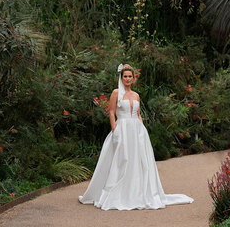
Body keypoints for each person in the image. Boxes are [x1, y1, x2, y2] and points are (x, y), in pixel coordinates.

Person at [78, 63, 194, 210]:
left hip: (137, 131)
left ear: (133, 78)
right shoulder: (116, 93)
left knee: (138, 160)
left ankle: (138, 192)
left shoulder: (136, 95)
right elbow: (112, 112)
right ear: (121, 78)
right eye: (125, 76)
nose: (127, 79)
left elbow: (138, 114)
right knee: (122, 159)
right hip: (122, 129)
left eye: (130, 76)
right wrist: (114, 130)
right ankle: (118, 192)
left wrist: (142, 129)